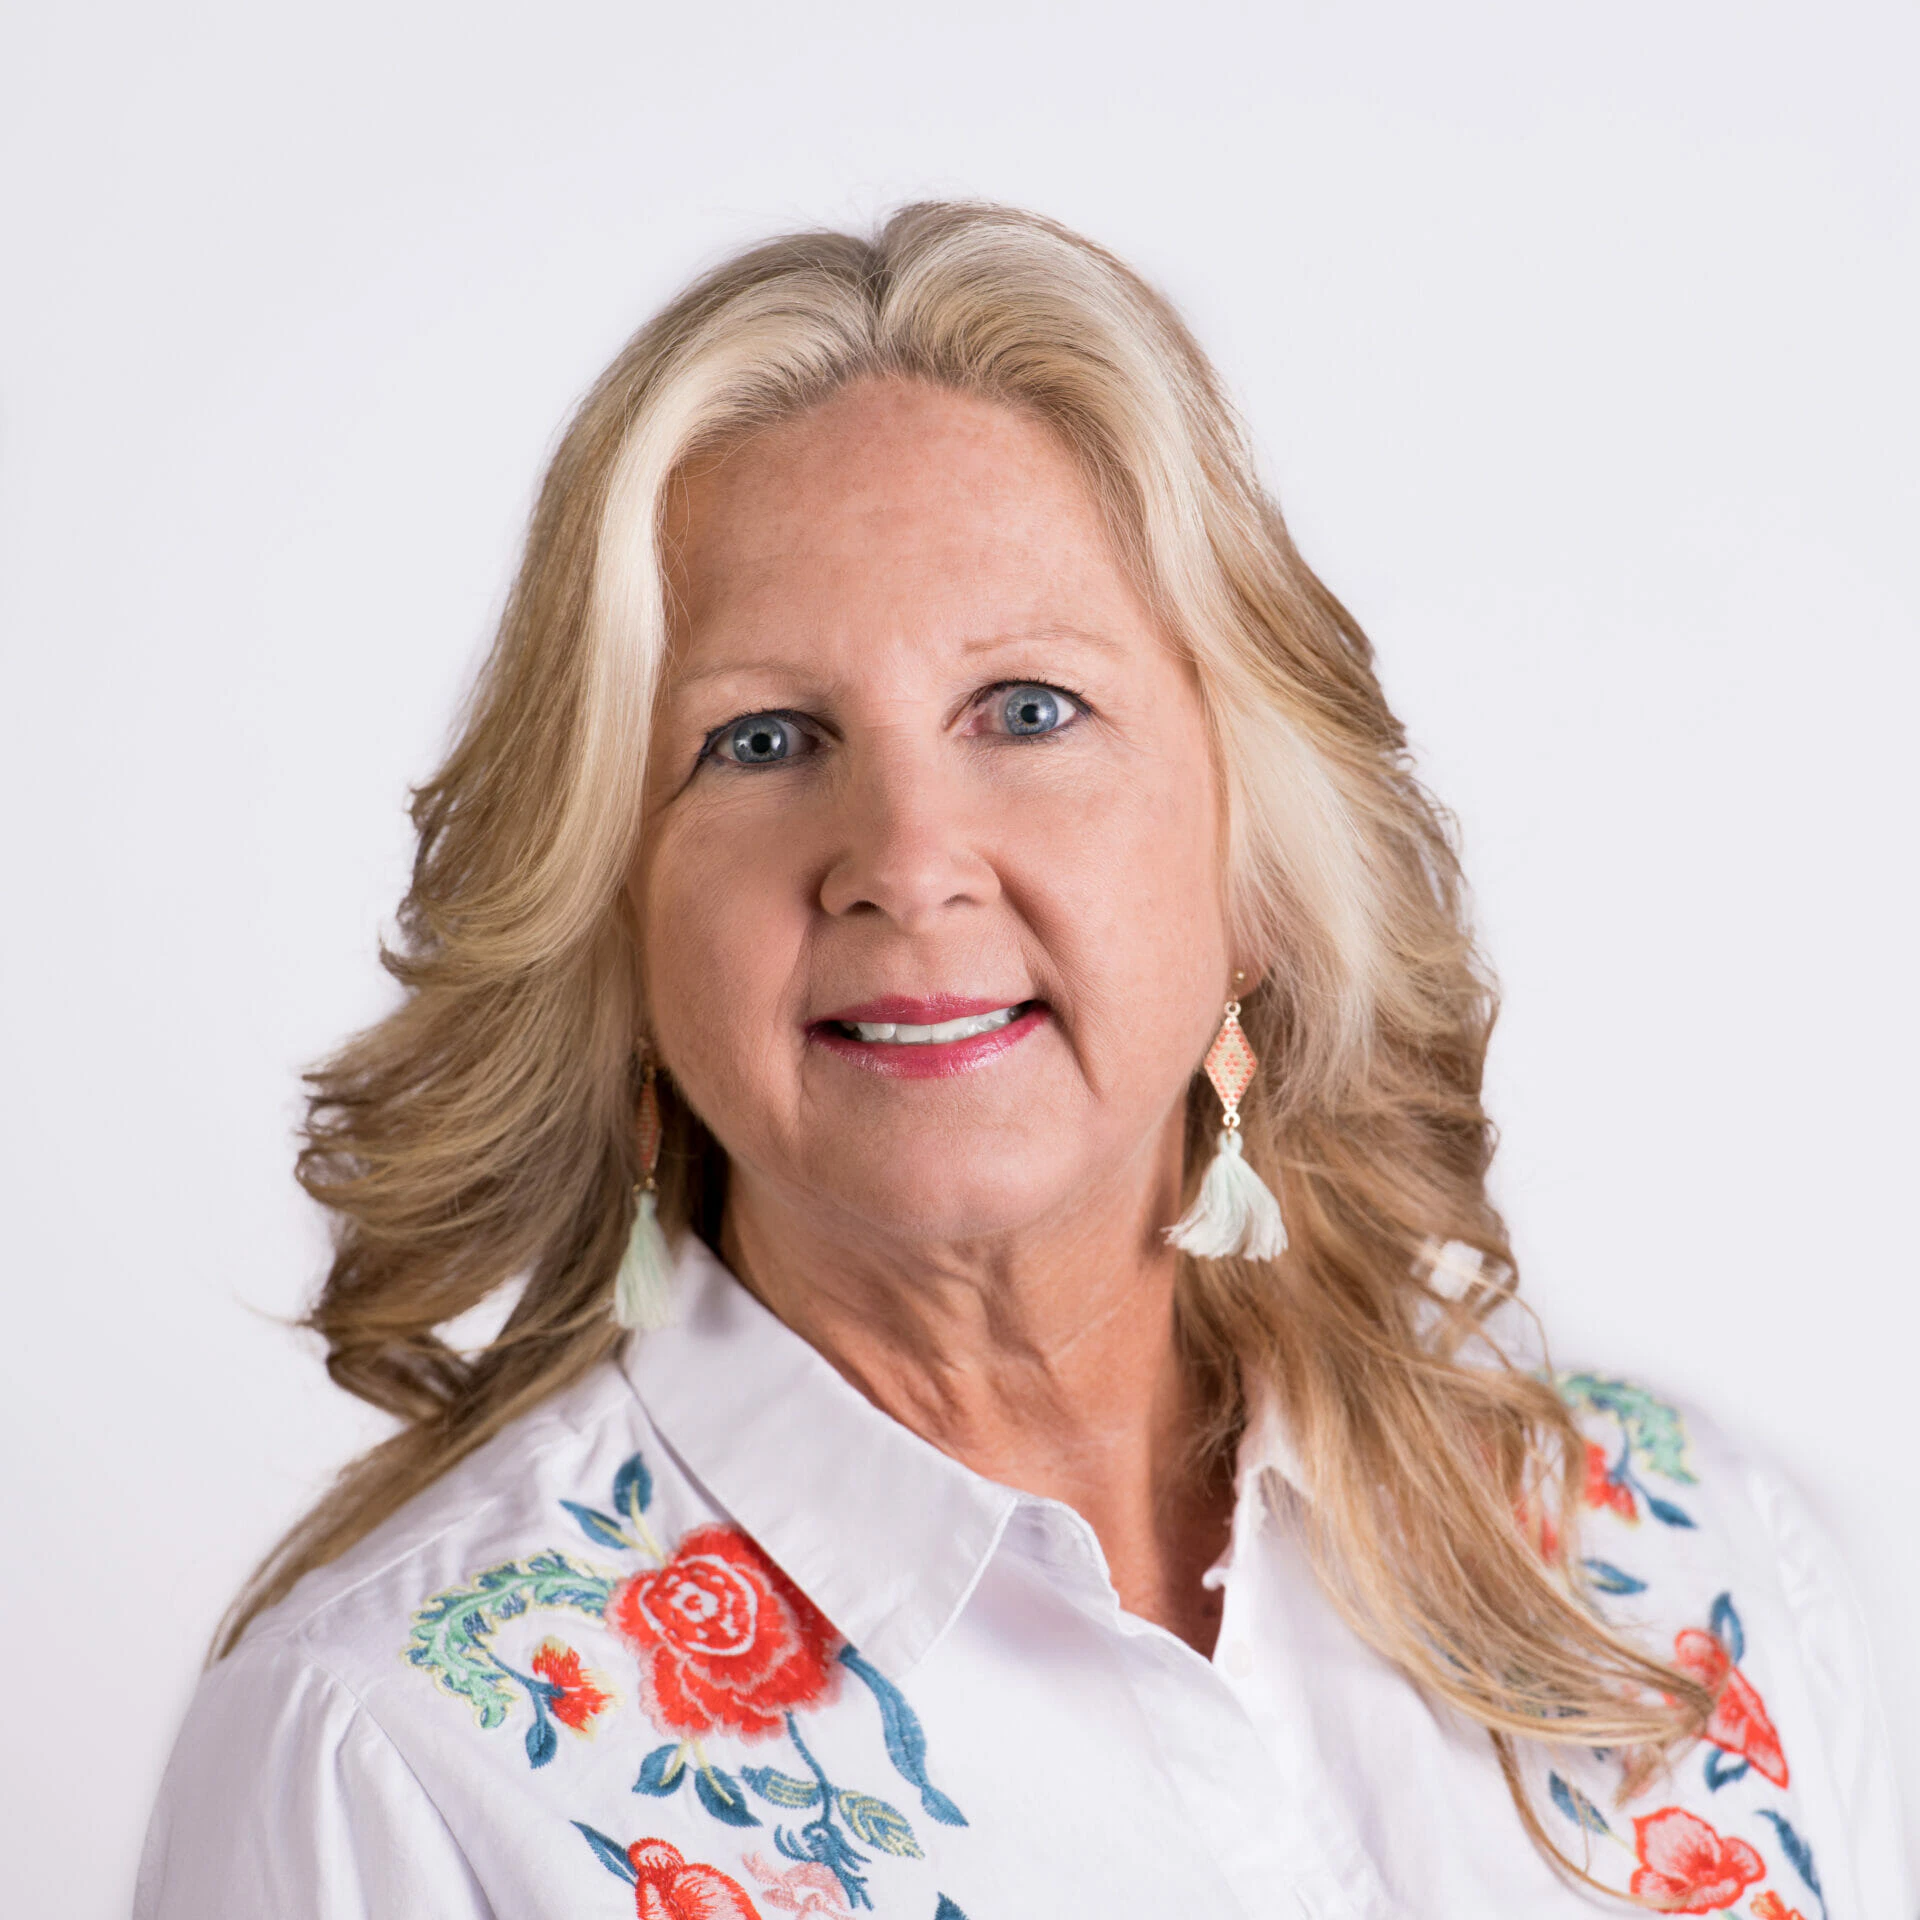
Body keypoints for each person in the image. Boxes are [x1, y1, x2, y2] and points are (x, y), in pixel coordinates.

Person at [134, 203, 1910, 1919]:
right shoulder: (393, 1768)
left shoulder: (1689, 1560)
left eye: (1030, 711)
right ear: (616, 921)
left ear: (1260, 867)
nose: (906, 856)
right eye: (761, 740)